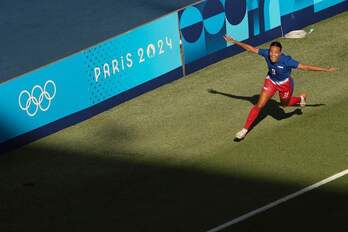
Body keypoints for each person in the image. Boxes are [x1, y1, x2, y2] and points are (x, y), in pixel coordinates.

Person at [223, 35, 336, 140]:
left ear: (280, 53)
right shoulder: (266, 53)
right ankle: (244, 130)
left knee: (284, 106)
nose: (272, 54)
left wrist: (325, 69)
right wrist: (234, 41)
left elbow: (305, 67)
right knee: (259, 105)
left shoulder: (287, 60)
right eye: (271, 51)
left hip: (285, 84)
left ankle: (300, 99)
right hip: (271, 82)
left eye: (276, 52)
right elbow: (251, 49)